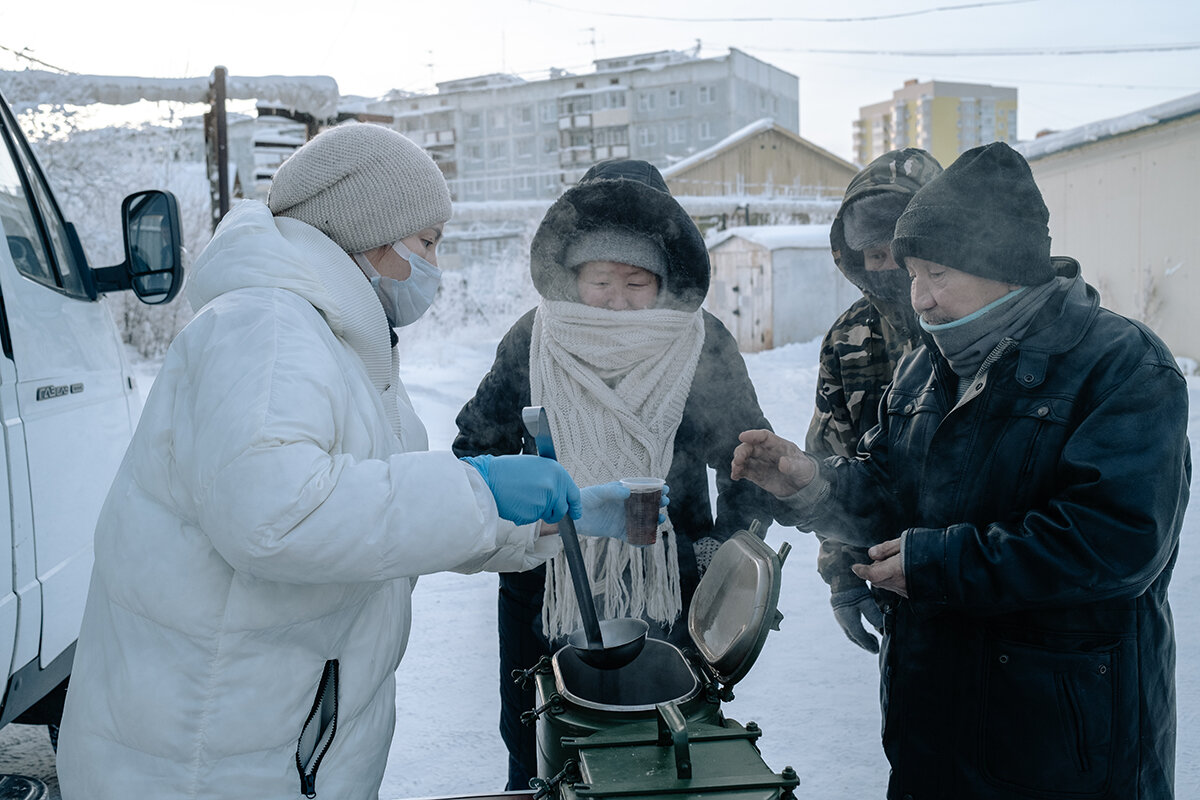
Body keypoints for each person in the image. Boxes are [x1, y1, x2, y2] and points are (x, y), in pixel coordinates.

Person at [56, 122, 632, 800]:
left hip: (269, 736)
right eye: (427, 243)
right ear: (372, 234)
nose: (435, 267)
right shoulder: (267, 331)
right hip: (207, 755)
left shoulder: (333, 338)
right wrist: (477, 489)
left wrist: (531, 527)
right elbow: (278, 517)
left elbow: (371, 513)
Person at [732, 142, 1189, 799]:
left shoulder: (1120, 365)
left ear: (1003, 265)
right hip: (932, 725)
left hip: (1064, 741)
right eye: (913, 274)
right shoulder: (927, 366)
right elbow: (891, 492)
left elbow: (1117, 542)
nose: (919, 298)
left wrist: (942, 565)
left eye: (937, 273)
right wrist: (814, 484)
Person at [453, 159, 775, 790]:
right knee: (543, 745)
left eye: (637, 282)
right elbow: (474, 451)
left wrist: (723, 551)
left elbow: (747, 461)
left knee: (665, 754)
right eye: (602, 280)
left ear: (667, 277)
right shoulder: (534, 339)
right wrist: (530, 505)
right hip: (546, 588)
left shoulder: (700, 342)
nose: (618, 302)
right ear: (571, 275)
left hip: (671, 593)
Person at [807, 148, 942, 654]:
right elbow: (830, 460)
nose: (889, 268)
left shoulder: (985, 325)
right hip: (888, 579)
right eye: (874, 254)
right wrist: (842, 574)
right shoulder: (849, 336)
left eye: (899, 249)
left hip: (993, 584)